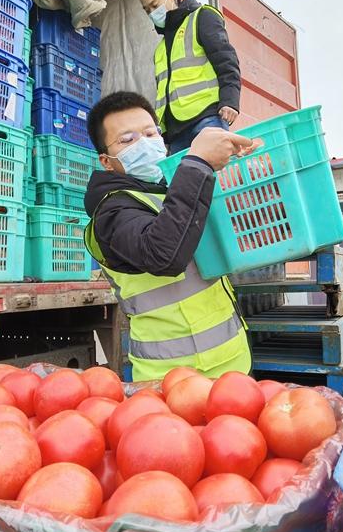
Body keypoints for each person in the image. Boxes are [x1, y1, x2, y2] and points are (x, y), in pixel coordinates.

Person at [84, 91, 256, 382]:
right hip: (171, 383)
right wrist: (198, 163)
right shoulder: (111, 212)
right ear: (107, 161)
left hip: (233, 367)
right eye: (128, 140)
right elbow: (163, 255)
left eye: (150, 133)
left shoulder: (171, 191)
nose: (145, 144)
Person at [136, 0, 242, 155]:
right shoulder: (160, 49)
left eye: (154, 5)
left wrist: (230, 101)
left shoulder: (201, 17)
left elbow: (226, 60)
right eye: (147, 10)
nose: (152, 13)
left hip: (206, 120)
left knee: (213, 178)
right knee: (186, 184)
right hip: (176, 134)